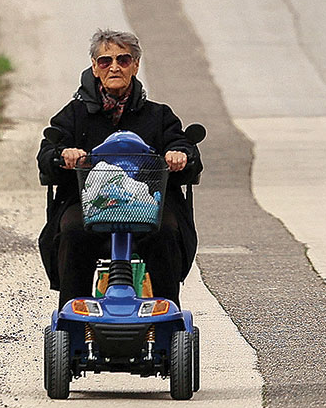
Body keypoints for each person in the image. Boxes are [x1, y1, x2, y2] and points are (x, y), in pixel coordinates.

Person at [37, 29, 202, 306]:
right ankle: (73, 315)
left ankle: (166, 312)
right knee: (73, 231)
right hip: (90, 206)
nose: (114, 67)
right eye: (105, 61)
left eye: (123, 60)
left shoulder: (159, 115)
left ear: (135, 65)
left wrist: (179, 155)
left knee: (166, 231)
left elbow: (185, 148)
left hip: (149, 206)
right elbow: (46, 154)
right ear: (94, 67)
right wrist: (63, 154)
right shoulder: (74, 115)